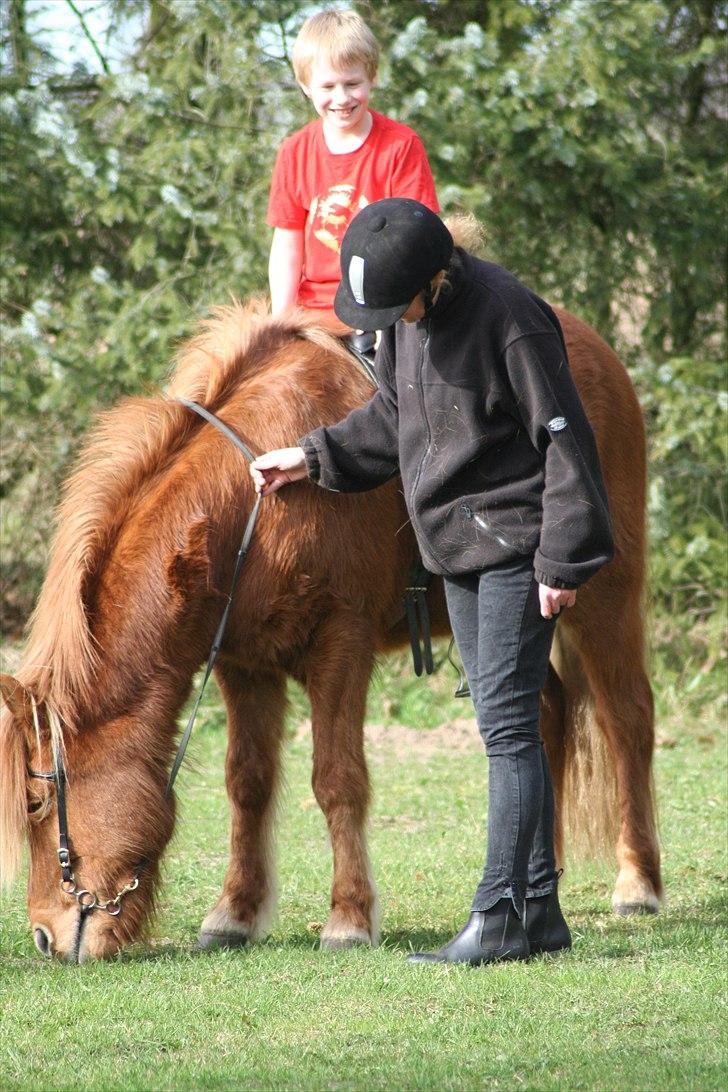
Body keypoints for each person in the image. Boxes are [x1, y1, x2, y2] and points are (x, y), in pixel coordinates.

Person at [251, 199, 614, 966]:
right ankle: (540, 911)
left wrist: (561, 561)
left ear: (439, 277)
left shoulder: (511, 319)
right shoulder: (404, 323)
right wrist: (311, 456)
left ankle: (500, 917)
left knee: (511, 731)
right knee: (500, 724)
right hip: (456, 547)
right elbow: (394, 417)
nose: (388, 320)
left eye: (396, 304)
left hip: (519, 545)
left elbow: (566, 443)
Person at [267, 9, 439, 336]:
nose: (341, 98)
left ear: (372, 76)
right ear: (306, 86)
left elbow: (415, 241)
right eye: (328, 86)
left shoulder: (400, 146)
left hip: (384, 310)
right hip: (313, 320)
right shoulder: (294, 152)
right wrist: (282, 321)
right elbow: (287, 246)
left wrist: (385, 317)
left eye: (352, 83)